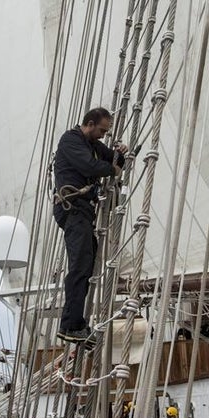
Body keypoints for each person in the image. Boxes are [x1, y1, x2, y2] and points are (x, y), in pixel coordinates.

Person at [53, 107, 126, 342]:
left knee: (86, 264)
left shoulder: (93, 145)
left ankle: (76, 324)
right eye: (102, 130)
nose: (104, 135)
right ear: (90, 123)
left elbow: (114, 160)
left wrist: (121, 154)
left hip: (84, 211)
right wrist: (112, 169)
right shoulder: (71, 140)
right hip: (72, 209)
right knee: (79, 266)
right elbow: (89, 167)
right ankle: (71, 326)